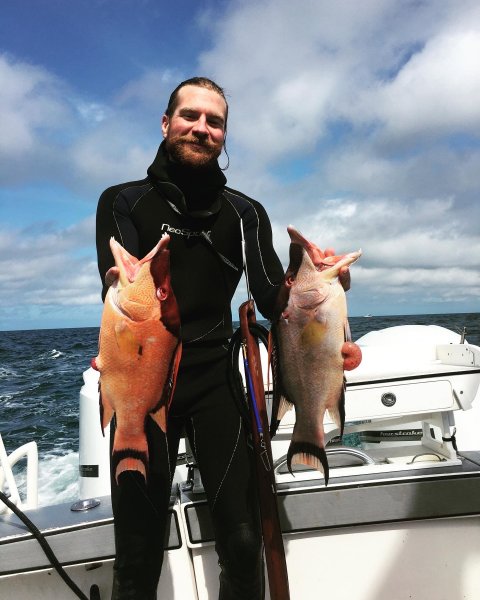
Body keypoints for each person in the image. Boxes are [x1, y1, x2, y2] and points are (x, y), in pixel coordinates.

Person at [96, 77, 285, 600]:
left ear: (224, 134)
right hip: (142, 382)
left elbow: (272, 297)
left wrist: (320, 306)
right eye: (190, 116)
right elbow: (117, 286)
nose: (202, 128)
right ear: (166, 123)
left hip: (217, 381)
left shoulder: (245, 212)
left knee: (244, 544)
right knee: (136, 555)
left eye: (215, 121)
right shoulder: (122, 202)